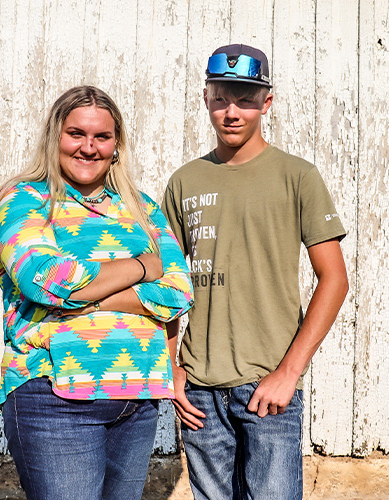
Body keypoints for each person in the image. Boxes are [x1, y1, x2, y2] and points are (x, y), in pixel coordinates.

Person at [0, 85, 193, 500]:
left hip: (136, 395)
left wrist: (89, 296)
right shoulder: (25, 203)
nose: (88, 147)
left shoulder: (141, 207)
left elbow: (178, 291)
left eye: (102, 137)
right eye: (76, 134)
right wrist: (140, 268)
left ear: (116, 144)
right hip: (54, 396)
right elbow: (46, 279)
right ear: (54, 138)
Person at [161, 44, 349, 499]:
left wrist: (289, 372)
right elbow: (164, 285)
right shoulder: (185, 181)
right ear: (205, 98)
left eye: (246, 99)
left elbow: (335, 280)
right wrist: (171, 368)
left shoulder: (297, 176)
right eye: (222, 97)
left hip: (268, 388)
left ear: (267, 102)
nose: (232, 112)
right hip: (200, 394)